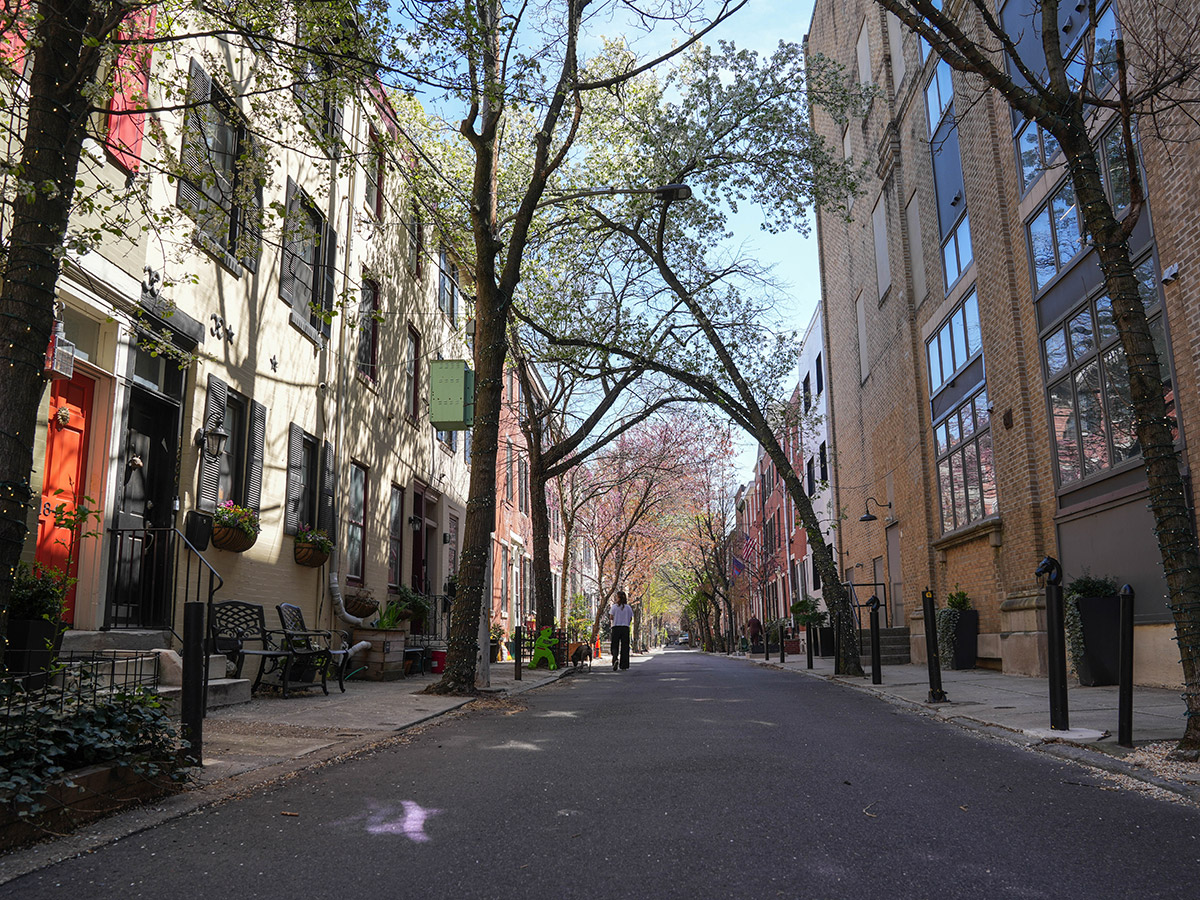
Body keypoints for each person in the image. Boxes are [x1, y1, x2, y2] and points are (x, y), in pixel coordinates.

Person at [609, 590, 634, 671]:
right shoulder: (628, 608)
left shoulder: (614, 607)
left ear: (618, 598)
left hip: (616, 627)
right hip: (625, 628)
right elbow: (630, 618)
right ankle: (624, 665)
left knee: (615, 645)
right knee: (625, 647)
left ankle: (615, 658)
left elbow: (611, 617)